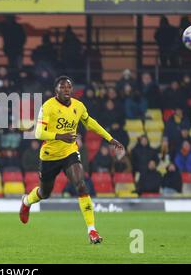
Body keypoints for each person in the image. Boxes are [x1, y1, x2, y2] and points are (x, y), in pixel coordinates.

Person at [19, 76, 124, 244]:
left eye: (69, 87)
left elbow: (90, 123)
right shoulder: (48, 106)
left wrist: (110, 139)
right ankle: (26, 201)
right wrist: (61, 136)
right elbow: (38, 133)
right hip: (49, 156)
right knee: (44, 193)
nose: (66, 90)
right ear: (56, 91)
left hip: (70, 152)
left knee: (81, 184)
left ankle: (92, 231)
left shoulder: (78, 106)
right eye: (63, 88)